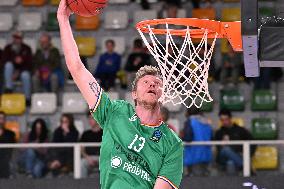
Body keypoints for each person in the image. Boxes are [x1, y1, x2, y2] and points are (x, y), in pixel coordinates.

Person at [57, 1, 183, 188]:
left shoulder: (172, 143)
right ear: (134, 93)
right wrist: (63, 18)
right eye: (145, 82)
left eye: (157, 83)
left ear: (162, 94)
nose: (152, 84)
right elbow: (77, 69)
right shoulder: (115, 112)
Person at [215, 109, 256, 175]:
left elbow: (253, 143)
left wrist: (248, 155)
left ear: (230, 118)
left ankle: (233, 183)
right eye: (222, 120)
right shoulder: (219, 132)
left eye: (226, 119)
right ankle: (245, 166)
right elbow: (218, 149)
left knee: (230, 162)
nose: (224, 122)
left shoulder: (240, 130)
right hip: (222, 158)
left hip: (238, 155)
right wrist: (222, 144)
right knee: (226, 150)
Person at [1, 31, 32, 104]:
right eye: (15, 37)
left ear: (22, 39)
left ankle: (27, 98)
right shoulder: (7, 48)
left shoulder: (27, 48)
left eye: (18, 38)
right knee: (8, 65)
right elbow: (4, 61)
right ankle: (9, 88)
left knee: (25, 75)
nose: (17, 39)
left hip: (22, 71)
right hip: (10, 73)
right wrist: (15, 60)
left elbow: (29, 64)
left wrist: (18, 72)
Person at [182, 107, 213, 176]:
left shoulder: (190, 121)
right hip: (206, 154)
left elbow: (188, 138)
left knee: (195, 182)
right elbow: (211, 137)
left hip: (193, 156)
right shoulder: (207, 122)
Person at [80, 112, 103, 178]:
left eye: (92, 118)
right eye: (89, 118)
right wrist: (87, 158)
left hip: (102, 158)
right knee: (82, 163)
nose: (90, 120)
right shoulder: (85, 134)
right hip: (88, 158)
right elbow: (81, 149)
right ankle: (82, 185)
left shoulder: (105, 132)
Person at [0, 111, 16, 178]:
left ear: (5, 120)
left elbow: (12, 149)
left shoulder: (10, 134)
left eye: (2, 118)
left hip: (5, 159)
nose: (0, 120)